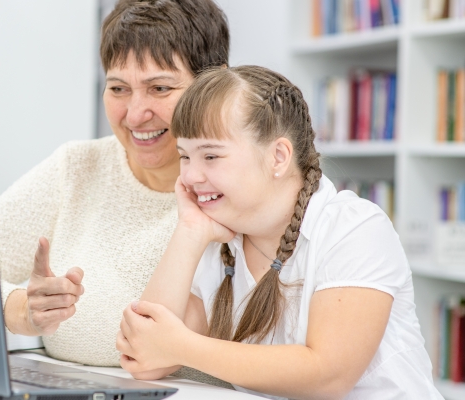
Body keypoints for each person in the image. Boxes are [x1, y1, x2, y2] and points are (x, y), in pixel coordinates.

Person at [116, 66, 443, 399]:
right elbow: (145, 359)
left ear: (278, 157)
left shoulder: (354, 227)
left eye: (211, 155)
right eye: (185, 156)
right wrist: (189, 230)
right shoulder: (220, 237)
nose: (191, 176)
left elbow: (327, 376)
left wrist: (182, 347)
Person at [0, 0, 229, 367]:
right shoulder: (77, 167)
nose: (135, 114)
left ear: (215, 87)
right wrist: (22, 309)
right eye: (118, 88)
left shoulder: (245, 189)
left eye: (160, 88)